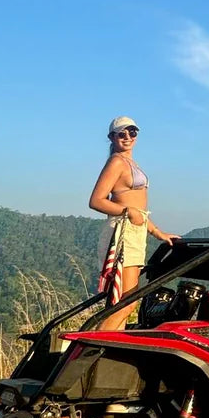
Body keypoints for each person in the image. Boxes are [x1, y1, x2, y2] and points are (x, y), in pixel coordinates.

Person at [89, 116, 182, 331]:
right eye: (122, 133)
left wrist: (157, 232)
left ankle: (111, 344)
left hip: (135, 230)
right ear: (112, 137)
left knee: (122, 301)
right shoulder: (116, 162)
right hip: (123, 230)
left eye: (132, 132)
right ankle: (92, 344)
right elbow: (96, 200)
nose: (128, 137)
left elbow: (139, 208)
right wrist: (127, 211)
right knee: (128, 300)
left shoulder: (130, 162)